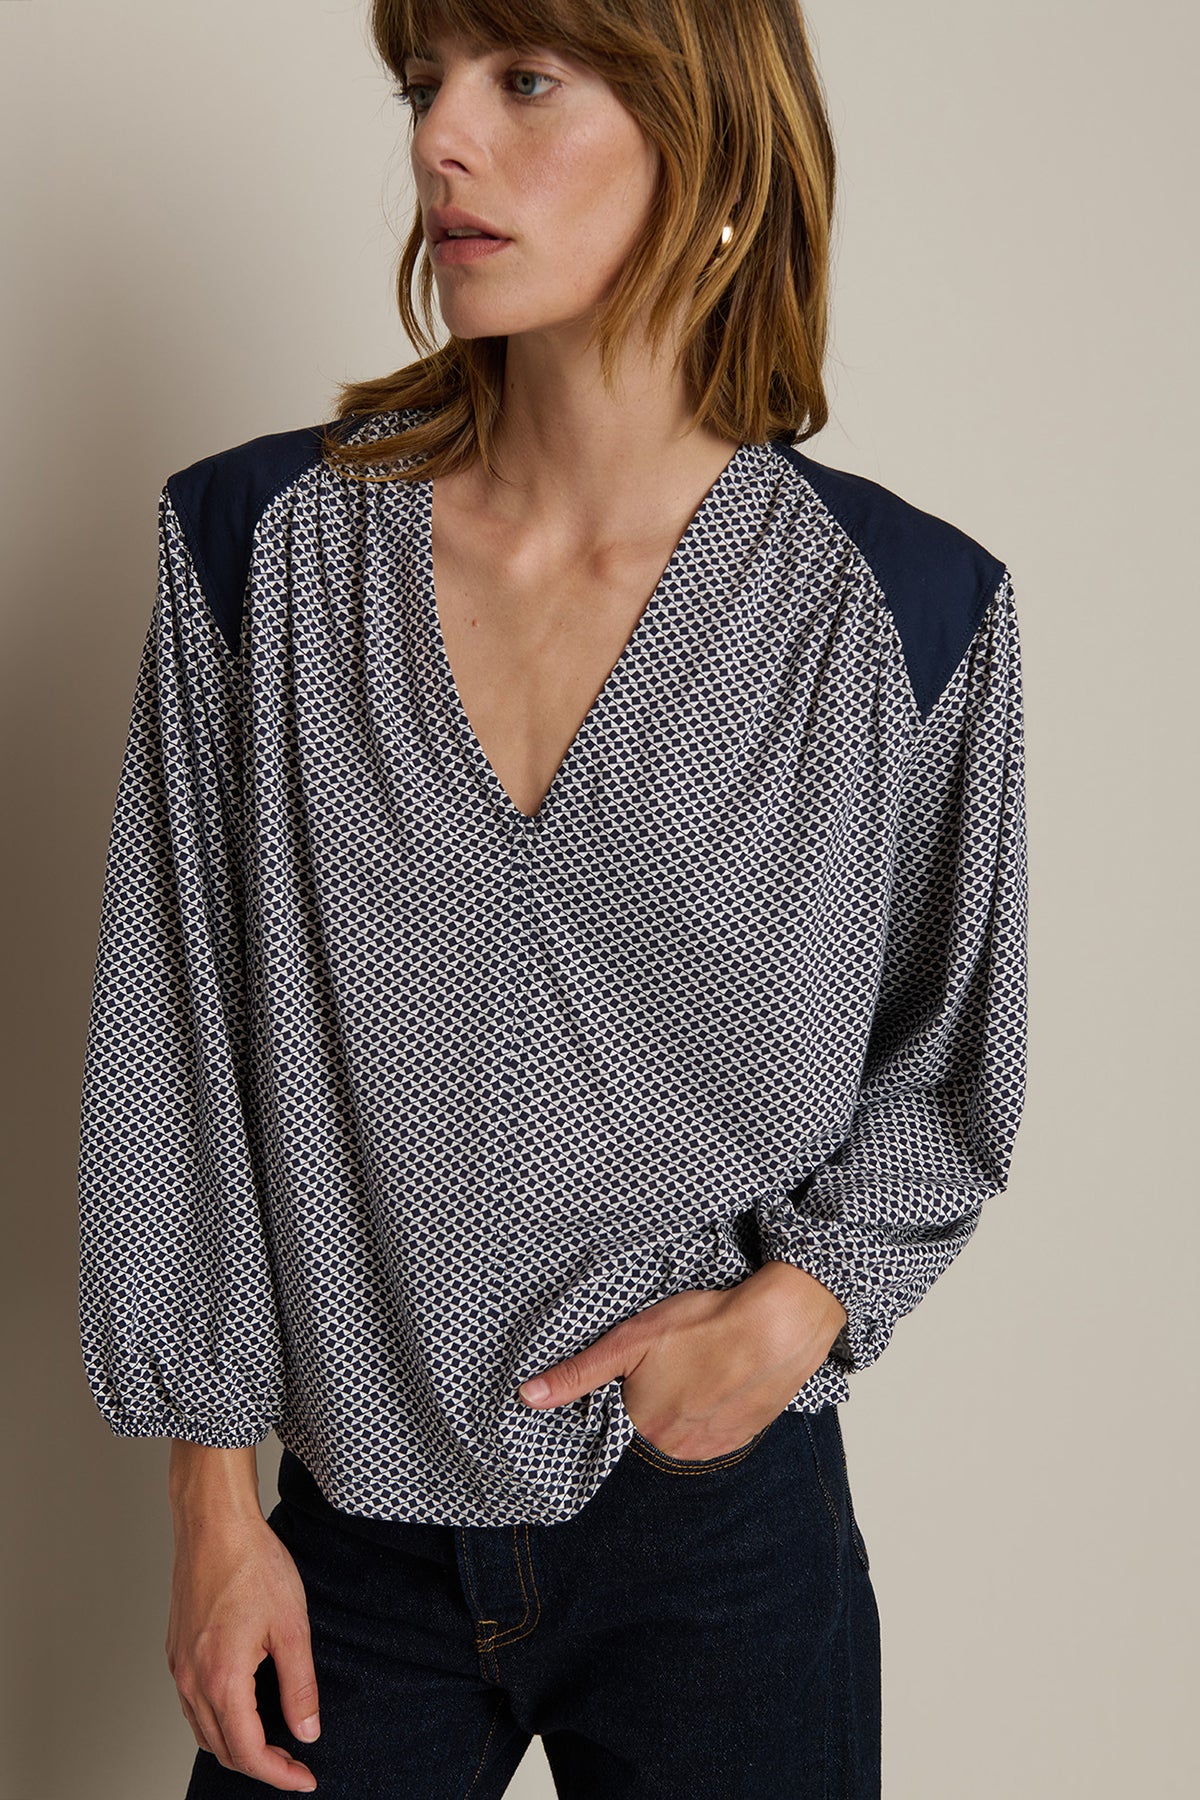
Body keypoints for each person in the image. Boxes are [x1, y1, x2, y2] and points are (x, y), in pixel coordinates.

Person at [76, 1, 1027, 1795]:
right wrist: (210, 1504)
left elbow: (951, 1062)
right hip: (348, 1543)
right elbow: (171, 1070)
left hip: (722, 1540)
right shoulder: (259, 561)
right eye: (422, 81)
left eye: (523, 81)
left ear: (710, 138)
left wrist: (792, 1313)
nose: (440, 137)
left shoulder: (902, 614)